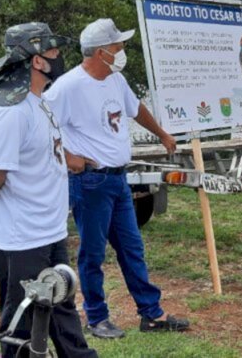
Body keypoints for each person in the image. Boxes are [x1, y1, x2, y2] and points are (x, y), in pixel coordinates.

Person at [44, 18, 189, 338]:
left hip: (118, 181)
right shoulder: (68, 86)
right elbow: (41, 123)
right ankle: (96, 318)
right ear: (100, 52)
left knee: (131, 248)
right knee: (93, 254)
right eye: (117, 46)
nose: (122, 50)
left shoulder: (115, 80)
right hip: (91, 182)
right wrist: (69, 158)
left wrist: (162, 134)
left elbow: (136, 109)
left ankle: (151, 314)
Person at [0, 22, 98, 358]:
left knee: (61, 303)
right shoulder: (8, 112)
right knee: (20, 320)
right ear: (36, 60)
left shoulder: (38, 102)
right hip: (20, 237)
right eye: (52, 50)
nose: (59, 56)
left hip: (47, 230)